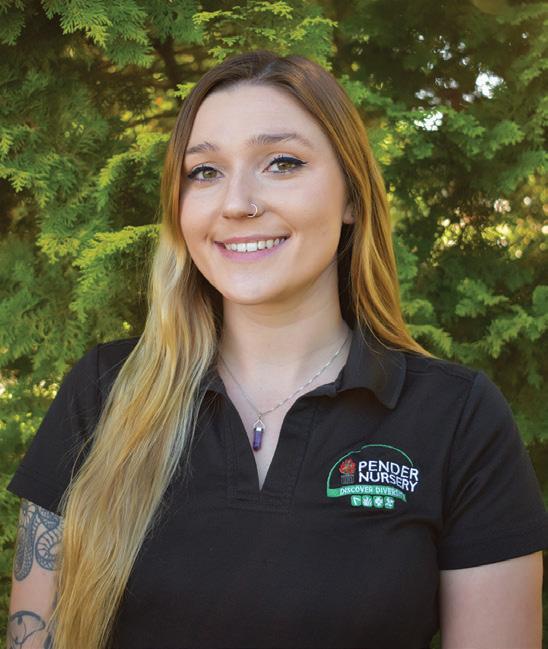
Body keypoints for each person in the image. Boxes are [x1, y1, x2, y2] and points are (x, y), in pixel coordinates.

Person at [6, 49, 547, 649]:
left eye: (282, 163)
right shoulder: (103, 392)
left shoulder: (457, 417)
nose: (237, 202)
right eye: (204, 171)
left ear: (351, 197)